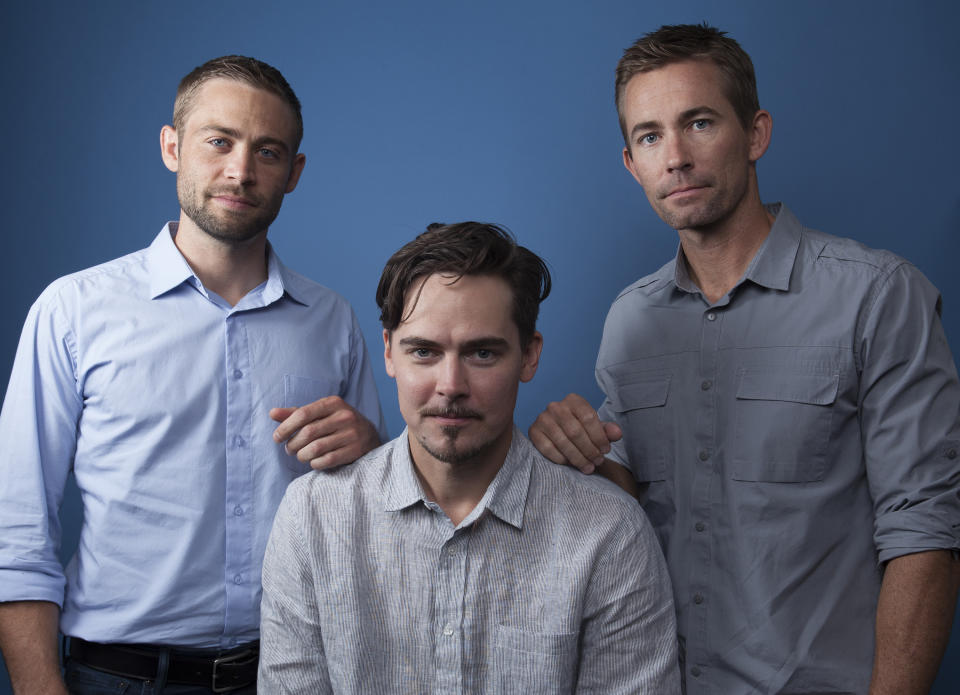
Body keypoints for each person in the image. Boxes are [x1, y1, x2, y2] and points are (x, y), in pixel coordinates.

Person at [528, 23, 960, 694]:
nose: (675, 156)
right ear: (630, 164)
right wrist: (569, 453)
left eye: (698, 123)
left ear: (755, 133)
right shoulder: (629, 320)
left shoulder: (877, 294)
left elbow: (925, 529)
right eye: (650, 136)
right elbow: (633, 512)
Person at [0, 56, 386, 694]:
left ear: (294, 173)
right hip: (113, 677)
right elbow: (15, 532)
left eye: (267, 151)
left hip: (290, 674)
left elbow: (371, 527)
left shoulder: (334, 323)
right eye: (219, 141)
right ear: (171, 147)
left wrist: (372, 454)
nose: (240, 171)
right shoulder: (72, 312)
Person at [258, 222, 681, 693]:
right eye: (423, 351)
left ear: (528, 356)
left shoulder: (609, 533)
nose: (451, 386)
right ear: (389, 353)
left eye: (482, 353)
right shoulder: (312, 518)